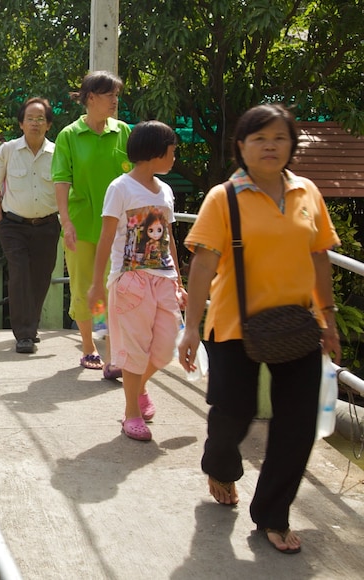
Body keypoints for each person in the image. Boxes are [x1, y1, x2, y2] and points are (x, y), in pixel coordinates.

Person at [176, 104, 341, 554]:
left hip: (296, 326)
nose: (270, 146)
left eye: (280, 138)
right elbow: (203, 263)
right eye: (259, 138)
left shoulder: (307, 192)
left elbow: (319, 255)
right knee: (233, 414)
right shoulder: (223, 197)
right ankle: (221, 465)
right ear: (241, 147)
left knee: (298, 424)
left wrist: (327, 317)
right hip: (234, 325)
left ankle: (272, 513)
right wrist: (191, 329)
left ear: (291, 145)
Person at [87, 121, 185, 442]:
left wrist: (179, 282)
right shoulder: (120, 188)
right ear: (155, 153)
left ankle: (139, 386)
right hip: (130, 280)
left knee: (167, 346)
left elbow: (168, 237)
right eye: (171, 151)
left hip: (164, 279)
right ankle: (131, 412)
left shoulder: (166, 191)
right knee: (134, 348)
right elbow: (105, 238)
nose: (174, 157)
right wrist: (98, 284)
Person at [51, 70, 131, 377]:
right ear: (91, 98)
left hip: (120, 229)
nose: (115, 101)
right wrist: (66, 221)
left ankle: (112, 350)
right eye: (110, 95)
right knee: (85, 288)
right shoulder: (69, 135)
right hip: (83, 227)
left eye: (116, 95)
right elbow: (61, 180)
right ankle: (89, 346)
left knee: (118, 290)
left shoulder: (124, 131)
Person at [0, 97, 60, 354]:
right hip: (13, 225)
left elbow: (64, 188)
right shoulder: (7, 151)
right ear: (21, 123)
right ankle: (24, 334)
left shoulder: (58, 152)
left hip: (49, 224)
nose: (35, 123)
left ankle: (31, 325)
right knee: (19, 274)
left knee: (41, 276)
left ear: (49, 124)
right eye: (30, 118)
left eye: (41, 119)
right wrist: (0, 222)